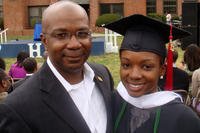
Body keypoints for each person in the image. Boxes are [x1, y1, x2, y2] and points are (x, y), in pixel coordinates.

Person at [0, 1, 114, 133]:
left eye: (82, 34)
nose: (74, 44)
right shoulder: (16, 107)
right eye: (61, 35)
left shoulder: (103, 75)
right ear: (45, 41)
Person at [104, 14, 200, 133]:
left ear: (162, 69)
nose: (134, 75)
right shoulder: (108, 104)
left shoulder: (184, 118)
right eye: (126, 65)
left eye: (146, 66)